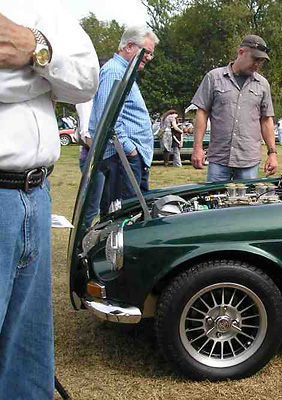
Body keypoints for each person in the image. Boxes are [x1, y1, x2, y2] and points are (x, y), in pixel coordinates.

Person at [0, 4, 98, 399]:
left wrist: (34, 48)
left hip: (34, 196)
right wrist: (47, 72)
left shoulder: (39, 6)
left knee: (27, 360)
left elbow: (86, 80)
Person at [89, 25, 159, 215]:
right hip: (122, 158)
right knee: (121, 215)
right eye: (147, 52)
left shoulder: (125, 72)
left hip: (128, 158)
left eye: (151, 54)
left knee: (134, 214)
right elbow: (108, 118)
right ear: (129, 46)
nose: (149, 58)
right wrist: (131, 151)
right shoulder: (114, 72)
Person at [191, 34, 278, 182]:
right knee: (214, 202)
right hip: (219, 159)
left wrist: (272, 153)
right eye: (255, 59)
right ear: (241, 52)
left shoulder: (263, 85)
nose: (257, 64)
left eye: (261, 61)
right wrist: (197, 148)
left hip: (249, 161)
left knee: (246, 204)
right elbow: (202, 113)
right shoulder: (214, 78)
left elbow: (266, 120)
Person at [76, 99, 105, 228]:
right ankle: (81, 237)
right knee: (92, 204)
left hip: (101, 158)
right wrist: (99, 156)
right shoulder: (85, 100)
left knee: (99, 202)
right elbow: (86, 134)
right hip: (93, 158)